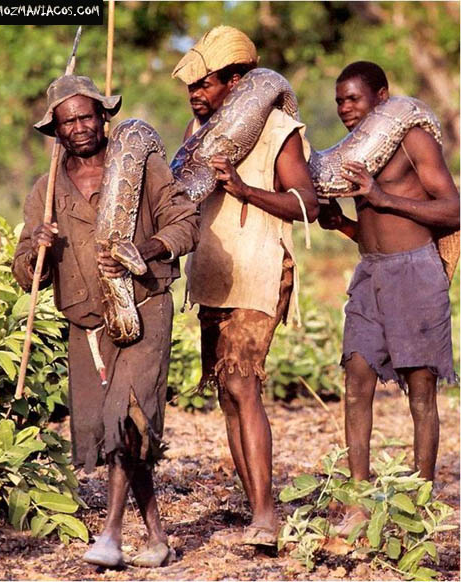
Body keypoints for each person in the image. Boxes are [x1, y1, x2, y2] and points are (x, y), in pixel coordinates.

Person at [13, 75, 199, 567]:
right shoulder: (46, 190)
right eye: (67, 120)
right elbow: (24, 273)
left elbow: (185, 223)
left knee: (128, 414)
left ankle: (112, 536)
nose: (79, 127)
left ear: (103, 117)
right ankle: (157, 537)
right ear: (55, 129)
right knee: (117, 431)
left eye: (87, 116)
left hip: (144, 309)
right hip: (87, 326)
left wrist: (147, 248)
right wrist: (39, 248)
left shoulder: (141, 166)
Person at [172, 26, 319, 546]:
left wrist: (243, 188)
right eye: (191, 85)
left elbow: (307, 202)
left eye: (205, 83)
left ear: (236, 80)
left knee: (241, 384)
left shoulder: (278, 127)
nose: (196, 93)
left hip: (258, 268)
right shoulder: (199, 132)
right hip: (214, 277)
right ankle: (254, 502)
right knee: (228, 396)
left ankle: (265, 515)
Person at [318, 61, 459, 533]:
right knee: (357, 379)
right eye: (339, 101)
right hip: (370, 274)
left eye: (354, 98)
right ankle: (358, 500)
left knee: (420, 392)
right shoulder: (357, 153)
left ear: (383, 97)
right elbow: (372, 233)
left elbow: (453, 210)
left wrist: (385, 197)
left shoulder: (411, 138)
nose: (345, 109)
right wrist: (342, 224)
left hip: (416, 272)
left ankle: (418, 503)